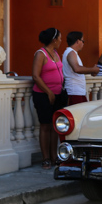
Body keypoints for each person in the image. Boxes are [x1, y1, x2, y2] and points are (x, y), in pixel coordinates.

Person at [31, 28, 67, 170]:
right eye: (59, 38)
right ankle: (46, 158)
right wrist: (49, 92)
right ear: (54, 40)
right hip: (43, 95)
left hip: (58, 94)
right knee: (45, 126)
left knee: (55, 127)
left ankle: (54, 156)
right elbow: (35, 76)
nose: (61, 40)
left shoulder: (56, 53)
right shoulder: (41, 54)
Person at [62, 31, 99, 106]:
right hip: (74, 92)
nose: (83, 43)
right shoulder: (71, 52)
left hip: (77, 92)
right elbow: (77, 69)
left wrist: (91, 71)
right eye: (83, 41)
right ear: (78, 41)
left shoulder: (72, 52)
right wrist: (93, 69)